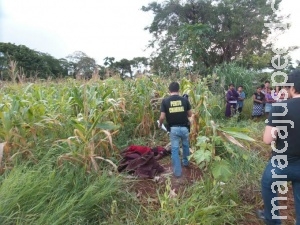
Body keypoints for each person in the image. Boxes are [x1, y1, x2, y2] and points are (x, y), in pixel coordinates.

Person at [257, 69, 300, 224]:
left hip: (281, 163)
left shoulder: (279, 108)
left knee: (268, 184)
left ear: (293, 88)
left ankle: (272, 219)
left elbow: (267, 139)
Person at [158, 82, 192, 178]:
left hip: (173, 129)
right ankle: (185, 163)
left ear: (169, 90)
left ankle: (177, 173)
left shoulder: (165, 101)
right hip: (185, 128)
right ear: (179, 90)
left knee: (175, 149)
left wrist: (160, 124)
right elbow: (190, 115)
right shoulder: (184, 100)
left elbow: (162, 117)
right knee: (186, 146)